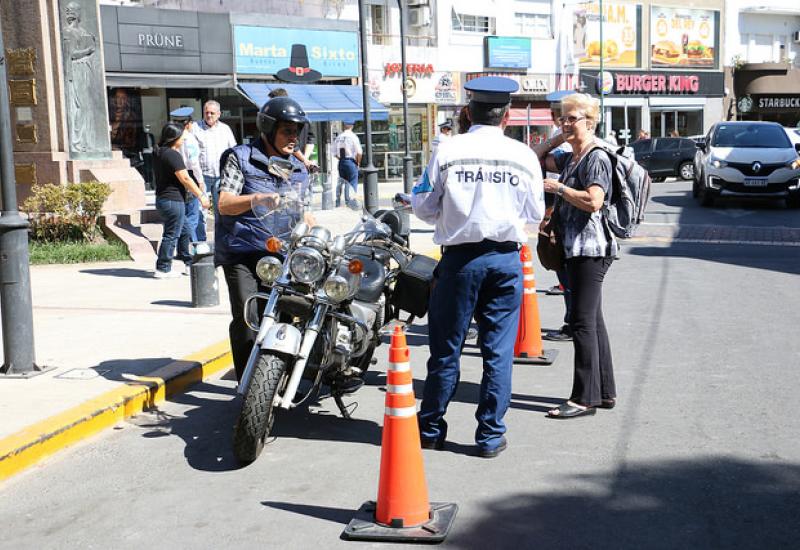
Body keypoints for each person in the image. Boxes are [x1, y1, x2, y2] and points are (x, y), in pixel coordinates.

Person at [411, 76, 545, 458]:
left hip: (460, 262)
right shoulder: (524, 156)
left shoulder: (449, 150)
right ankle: (489, 436)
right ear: (507, 117)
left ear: (468, 113)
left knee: (446, 350)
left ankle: (431, 428)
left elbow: (423, 205)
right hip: (506, 261)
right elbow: (535, 211)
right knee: (498, 352)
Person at [535, 93, 618, 419]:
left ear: (591, 121)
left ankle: (583, 398)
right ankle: (605, 392)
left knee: (582, 322)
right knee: (593, 321)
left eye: (572, 118)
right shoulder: (572, 157)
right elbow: (536, 156)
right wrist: (562, 135)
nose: (566, 123)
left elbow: (594, 200)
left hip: (591, 250)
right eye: (563, 118)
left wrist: (559, 190)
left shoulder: (596, 156)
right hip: (577, 249)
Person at [215, 97, 310, 380]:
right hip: (242, 250)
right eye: (286, 131)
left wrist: (308, 222)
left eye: (296, 131)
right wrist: (257, 198)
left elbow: (300, 210)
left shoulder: (298, 168)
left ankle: (271, 382)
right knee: (249, 318)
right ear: (268, 129)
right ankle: (247, 385)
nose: (293, 138)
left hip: (279, 254)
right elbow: (224, 203)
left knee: (281, 318)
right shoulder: (240, 157)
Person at [153, 122, 210, 278]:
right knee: (171, 235)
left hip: (165, 200)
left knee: (185, 231)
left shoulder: (159, 152)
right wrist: (201, 196)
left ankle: (188, 262)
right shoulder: (172, 154)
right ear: (174, 137)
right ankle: (163, 268)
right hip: (172, 200)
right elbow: (185, 178)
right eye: (182, 138)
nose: (184, 140)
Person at [192, 100, 237, 214]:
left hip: (221, 176)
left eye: (212, 113)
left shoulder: (225, 129)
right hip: (201, 177)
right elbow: (191, 153)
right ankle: (200, 233)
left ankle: (220, 232)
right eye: (206, 112)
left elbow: (233, 151)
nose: (209, 115)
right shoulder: (195, 128)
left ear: (219, 114)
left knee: (221, 209)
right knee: (200, 210)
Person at [171, 107, 207, 244]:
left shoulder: (172, 138)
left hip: (176, 175)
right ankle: (189, 245)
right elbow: (193, 163)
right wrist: (200, 181)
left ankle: (185, 244)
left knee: (184, 214)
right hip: (189, 175)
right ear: (188, 123)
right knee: (192, 215)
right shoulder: (189, 138)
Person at [267, 88, 318, 172]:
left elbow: (294, 145)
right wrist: (305, 159)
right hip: (298, 163)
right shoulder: (301, 116)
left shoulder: (282, 119)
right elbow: (311, 140)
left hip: (286, 163)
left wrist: (304, 160)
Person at [334, 120, 362, 208]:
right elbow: (359, 152)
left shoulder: (339, 137)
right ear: (352, 126)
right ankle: (350, 202)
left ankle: (338, 202)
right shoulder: (353, 136)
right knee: (352, 182)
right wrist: (358, 162)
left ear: (344, 125)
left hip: (341, 161)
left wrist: (342, 159)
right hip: (351, 161)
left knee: (342, 182)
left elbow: (334, 152)